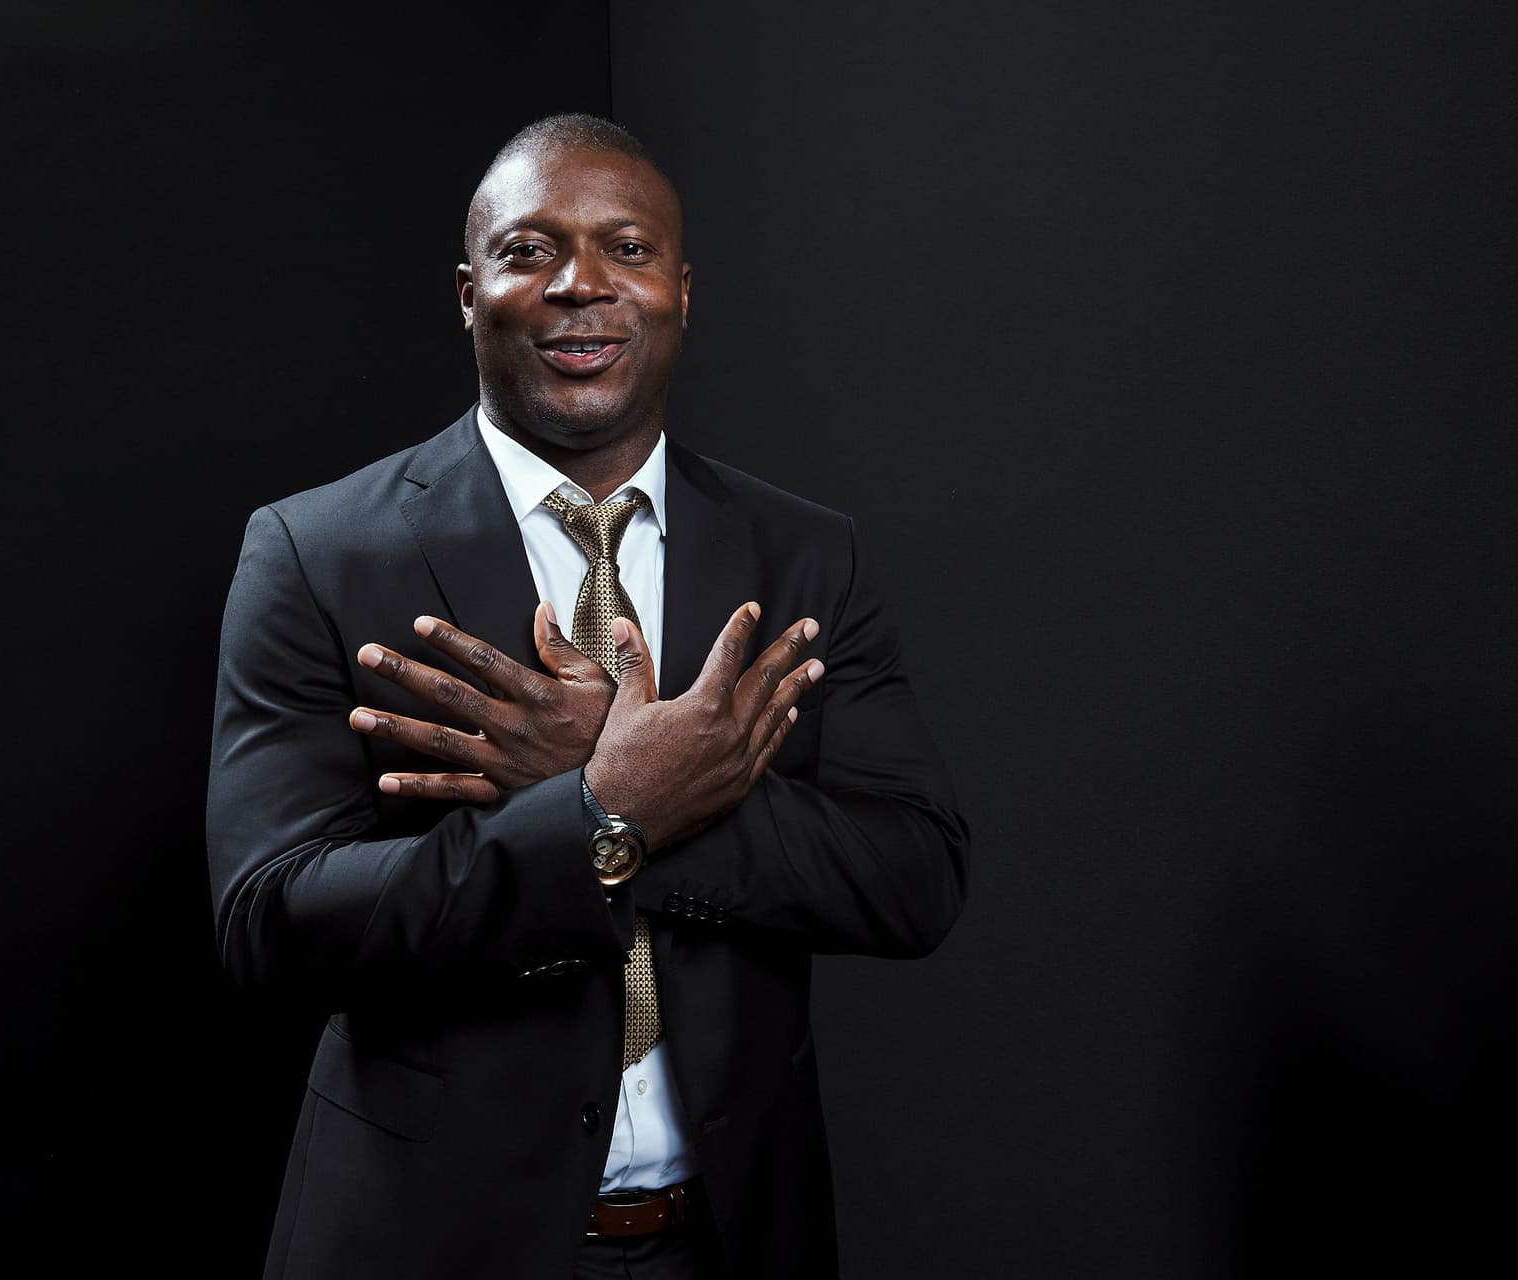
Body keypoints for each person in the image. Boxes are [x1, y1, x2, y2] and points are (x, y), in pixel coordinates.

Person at [206, 113, 969, 1279]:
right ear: (469, 292)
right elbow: (269, 919)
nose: (581, 285)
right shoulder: (317, 552)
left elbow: (914, 878)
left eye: (627, 248)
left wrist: (644, 781)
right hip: (427, 1241)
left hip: (727, 1236)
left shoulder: (810, 555)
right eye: (529, 251)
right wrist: (603, 809)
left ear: (681, 289)